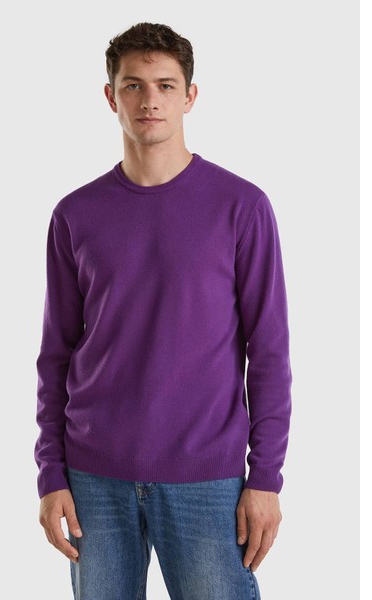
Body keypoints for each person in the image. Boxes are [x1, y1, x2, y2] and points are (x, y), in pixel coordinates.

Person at [34, 21, 292, 600]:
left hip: (207, 477)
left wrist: (266, 478)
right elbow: (56, 355)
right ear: (111, 97)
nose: (149, 100)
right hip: (94, 476)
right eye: (133, 85)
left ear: (189, 96)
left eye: (165, 86)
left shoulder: (242, 207)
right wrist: (51, 473)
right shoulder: (75, 214)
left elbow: (270, 352)